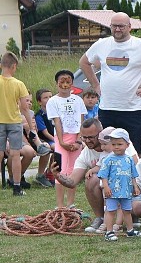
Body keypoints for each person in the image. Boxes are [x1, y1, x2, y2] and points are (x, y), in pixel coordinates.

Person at [79, 11, 141, 152]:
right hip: (107, 108)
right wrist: (96, 85)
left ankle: (138, 175)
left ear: (129, 27)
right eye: (114, 26)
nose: (117, 29)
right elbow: (84, 62)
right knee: (106, 150)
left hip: (134, 109)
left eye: (121, 26)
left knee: (137, 150)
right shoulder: (102, 44)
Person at [52, 119, 141, 233]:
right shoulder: (86, 153)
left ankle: (131, 216)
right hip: (111, 189)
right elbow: (72, 181)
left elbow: (135, 166)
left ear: (100, 133)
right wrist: (58, 176)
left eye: (91, 137)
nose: (87, 141)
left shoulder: (119, 143)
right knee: (91, 178)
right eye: (84, 137)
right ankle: (102, 218)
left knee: (138, 208)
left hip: (133, 185)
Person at [0, 52, 48, 196]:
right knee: (15, 155)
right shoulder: (19, 84)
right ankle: (16, 187)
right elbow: (24, 108)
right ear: (14, 66)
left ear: (2, 65)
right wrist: (32, 129)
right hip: (14, 122)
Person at [46, 69, 87, 208]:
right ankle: (60, 205)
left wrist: (79, 140)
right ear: (57, 83)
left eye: (68, 81)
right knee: (60, 170)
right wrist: (62, 142)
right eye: (62, 81)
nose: (65, 84)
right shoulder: (53, 101)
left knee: (72, 171)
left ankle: (70, 204)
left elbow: (81, 121)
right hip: (61, 139)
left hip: (76, 138)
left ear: (72, 83)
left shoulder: (78, 100)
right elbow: (57, 121)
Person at [96, 128, 141, 241]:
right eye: (113, 144)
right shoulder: (108, 159)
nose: (116, 147)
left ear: (127, 145)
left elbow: (133, 175)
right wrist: (106, 187)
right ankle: (109, 231)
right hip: (112, 191)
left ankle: (130, 230)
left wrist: (135, 186)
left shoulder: (129, 159)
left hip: (126, 191)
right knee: (110, 211)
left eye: (119, 144)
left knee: (127, 211)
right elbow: (103, 175)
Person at [33, 88, 55, 187]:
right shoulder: (39, 115)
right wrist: (57, 140)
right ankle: (42, 175)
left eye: (50, 96)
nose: (49, 99)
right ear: (39, 101)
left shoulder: (55, 112)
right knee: (56, 147)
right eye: (45, 97)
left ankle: (51, 172)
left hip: (53, 138)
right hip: (44, 139)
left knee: (60, 148)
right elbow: (45, 133)